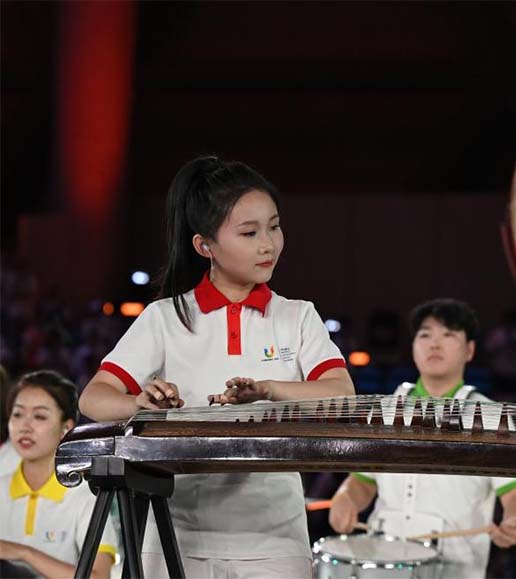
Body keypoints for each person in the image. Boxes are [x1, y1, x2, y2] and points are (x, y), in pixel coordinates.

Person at [79, 156, 354, 578]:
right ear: (204, 246)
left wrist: (268, 389)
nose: (269, 244)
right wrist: (139, 401)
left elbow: (341, 392)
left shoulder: (298, 316)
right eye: (249, 232)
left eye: (274, 226)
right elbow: (94, 398)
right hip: (173, 532)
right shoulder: (165, 317)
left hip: (274, 539)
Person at [328, 298, 516, 578]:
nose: (434, 344)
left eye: (448, 335)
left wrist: (515, 521)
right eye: (425, 335)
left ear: (470, 350)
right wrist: (345, 500)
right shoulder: (386, 409)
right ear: (413, 347)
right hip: (385, 561)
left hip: (455, 567)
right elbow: (362, 482)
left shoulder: (489, 415)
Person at [0, 370, 118, 578]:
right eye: (17, 414)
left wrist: (24, 553)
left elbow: (100, 576)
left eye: (39, 416)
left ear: (66, 428)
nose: (25, 427)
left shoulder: (85, 498)